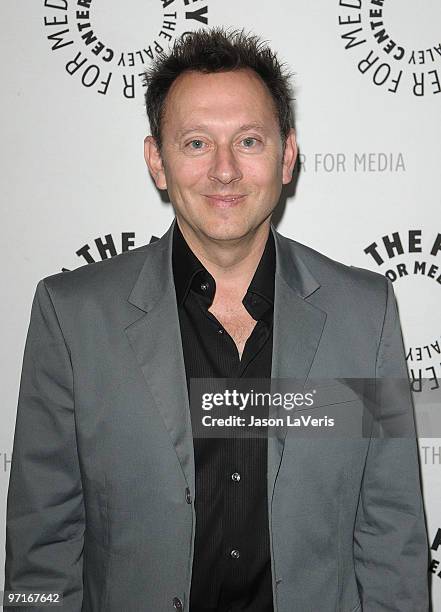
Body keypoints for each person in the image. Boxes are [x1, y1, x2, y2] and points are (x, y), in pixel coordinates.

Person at [3, 27, 429, 612]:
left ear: (287, 155)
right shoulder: (72, 316)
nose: (224, 171)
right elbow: (41, 551)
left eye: (249, 141)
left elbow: (391, 537)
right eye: (197, 143)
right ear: (157, 161)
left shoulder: (364, 314)